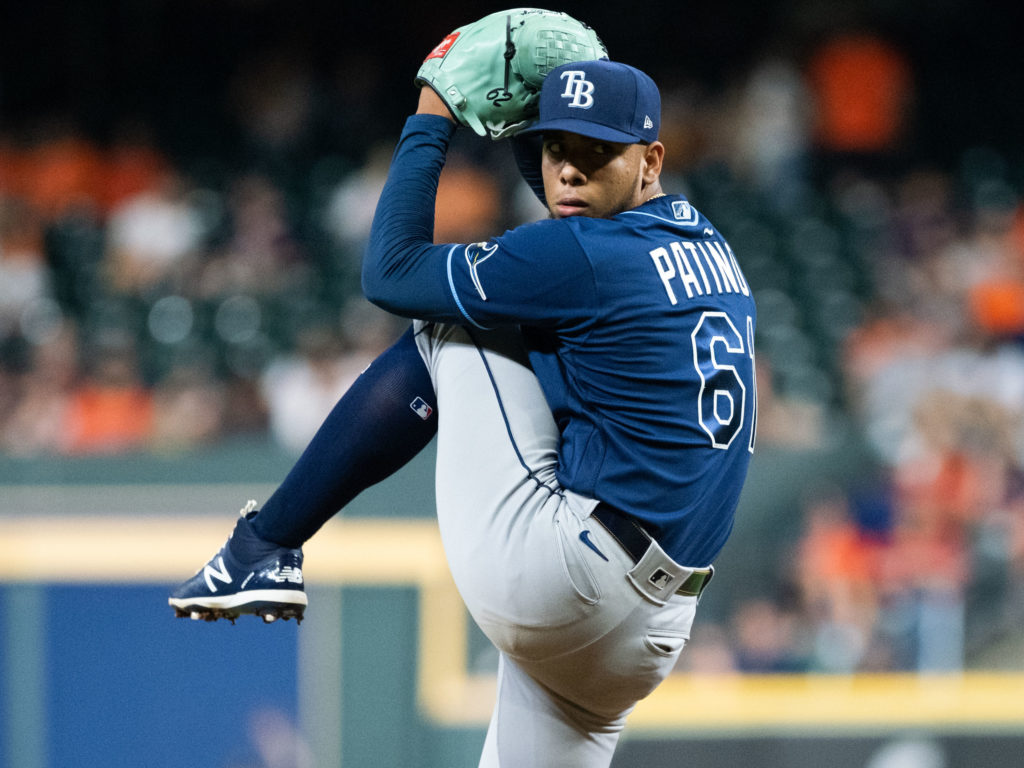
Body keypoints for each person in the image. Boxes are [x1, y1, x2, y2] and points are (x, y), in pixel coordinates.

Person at [170, 53, 757, 766]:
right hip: (652, 632)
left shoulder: (584, 259)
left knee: (451, 320)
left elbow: (390, 273)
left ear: (650, 159)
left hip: (567, 583)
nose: (568, 172)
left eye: (596, 152)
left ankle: (264, 545)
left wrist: (432, 115)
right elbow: (569, 241)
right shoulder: (706, 245)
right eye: (555, 148)